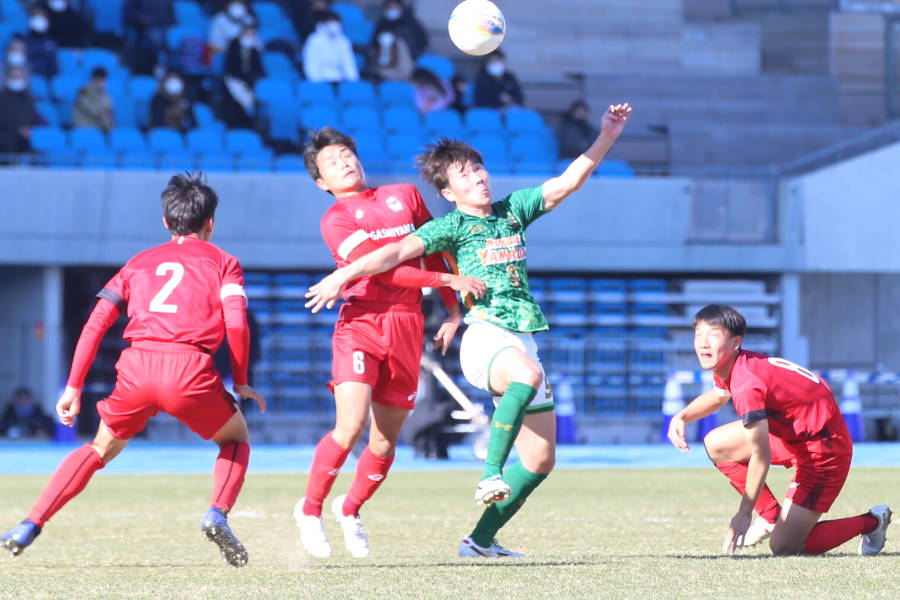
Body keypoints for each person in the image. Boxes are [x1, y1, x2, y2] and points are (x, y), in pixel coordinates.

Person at [304, 103, 633, 558]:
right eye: (465, 173)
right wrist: (342, 276)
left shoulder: (513, 210)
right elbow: (391, 256)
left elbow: (566, 183)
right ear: (447, 190)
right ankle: (490, 472)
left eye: (479, 167)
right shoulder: (449, 226)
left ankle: (478, 542)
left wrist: (607, 137)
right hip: (485, 337)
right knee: (524, 378)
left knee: (540, 460)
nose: (478, 176)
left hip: (523, 336)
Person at [0, 173, 265, 567]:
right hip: (189, 367)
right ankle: (217, 512)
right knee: (236, 440)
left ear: (165, 223)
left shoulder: (138, 262)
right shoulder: (225, 263)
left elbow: (96, 322)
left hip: (137, 366)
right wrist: (240, 379)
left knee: (99, 448)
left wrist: (73, 387)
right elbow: (238, 324)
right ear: (211, 223)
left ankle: (30, 523)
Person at [293, 127, 486, 559]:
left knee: (385, 441)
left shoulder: (403, 195)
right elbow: (382, 272)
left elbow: (434, 250)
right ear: (322, 183)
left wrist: (453, 308)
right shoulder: (336, 220)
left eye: (346, 153)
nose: (343, 162)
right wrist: (447, 280)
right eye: (331, 162)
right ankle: (309, 510)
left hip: (406, 326)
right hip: (360, 323)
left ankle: (350, 509)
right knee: (351, 426)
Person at [667, 304, 891, 556]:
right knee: (716, 443)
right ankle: (771, 517)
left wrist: (744, 513)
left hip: (824, 449)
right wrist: (683, 416)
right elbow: (719, 395)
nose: (704, 344)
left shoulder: (746, 384)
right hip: (795, 435)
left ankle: (872, 521)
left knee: (785, 547)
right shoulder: (734, 364)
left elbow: (760, 455)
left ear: (736, 342)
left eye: (714, 335)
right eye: (699, 335)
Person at [222, 24, 264, 129]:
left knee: (253, 97)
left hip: (249, 82)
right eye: (248, 33)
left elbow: (259, 69)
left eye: (253, 34)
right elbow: (230, 66)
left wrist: (250, 79)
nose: (250, 36)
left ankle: (250, 124)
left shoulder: (255, 51)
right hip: (233, 79)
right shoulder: (233, 45)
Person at [301, 12, 358, 83]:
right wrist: (315, 83)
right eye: (331, 22)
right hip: (320, 79)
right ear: (323, 24)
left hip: (339, 79)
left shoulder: (343, 41)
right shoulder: (314, 40)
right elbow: (311, 64)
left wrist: (353, 82)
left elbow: (348, 63)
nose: (334, 26)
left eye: (336, 23)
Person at [0, 66, 45, 156]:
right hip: (6, 133)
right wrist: (19, 129)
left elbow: (31, 116)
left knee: (36, 142)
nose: (17, 80)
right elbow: (3, 117)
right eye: (14, 78)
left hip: (25, 134)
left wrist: (28, 128)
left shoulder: (29, 97)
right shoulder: (2, 97)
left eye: (19, 77)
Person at [124, 0, 175, 73]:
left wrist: (165, 22)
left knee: (173, 38)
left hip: (163, 28)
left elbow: (172, 16)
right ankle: (155, 66)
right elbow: (129, 12)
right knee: (156, 37)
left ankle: (166, 68)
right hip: (143, 28)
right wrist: (141, 18)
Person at [73, 67, 115, 131]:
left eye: (103, 81)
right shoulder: (83, 90)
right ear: (92, 79)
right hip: (83, 126)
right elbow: (87, 106)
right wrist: (102, 114)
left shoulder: (105, 94)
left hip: (99, 127)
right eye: (99, 80)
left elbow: (109, 108)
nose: (101, 83)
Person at [24, 8, 58, 79]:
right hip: (26, 76)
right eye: (36, 17)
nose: (39, 20)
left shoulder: (51, 42)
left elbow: (54, 68)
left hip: (46, 78)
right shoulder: (23, 41)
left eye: (42, 17)